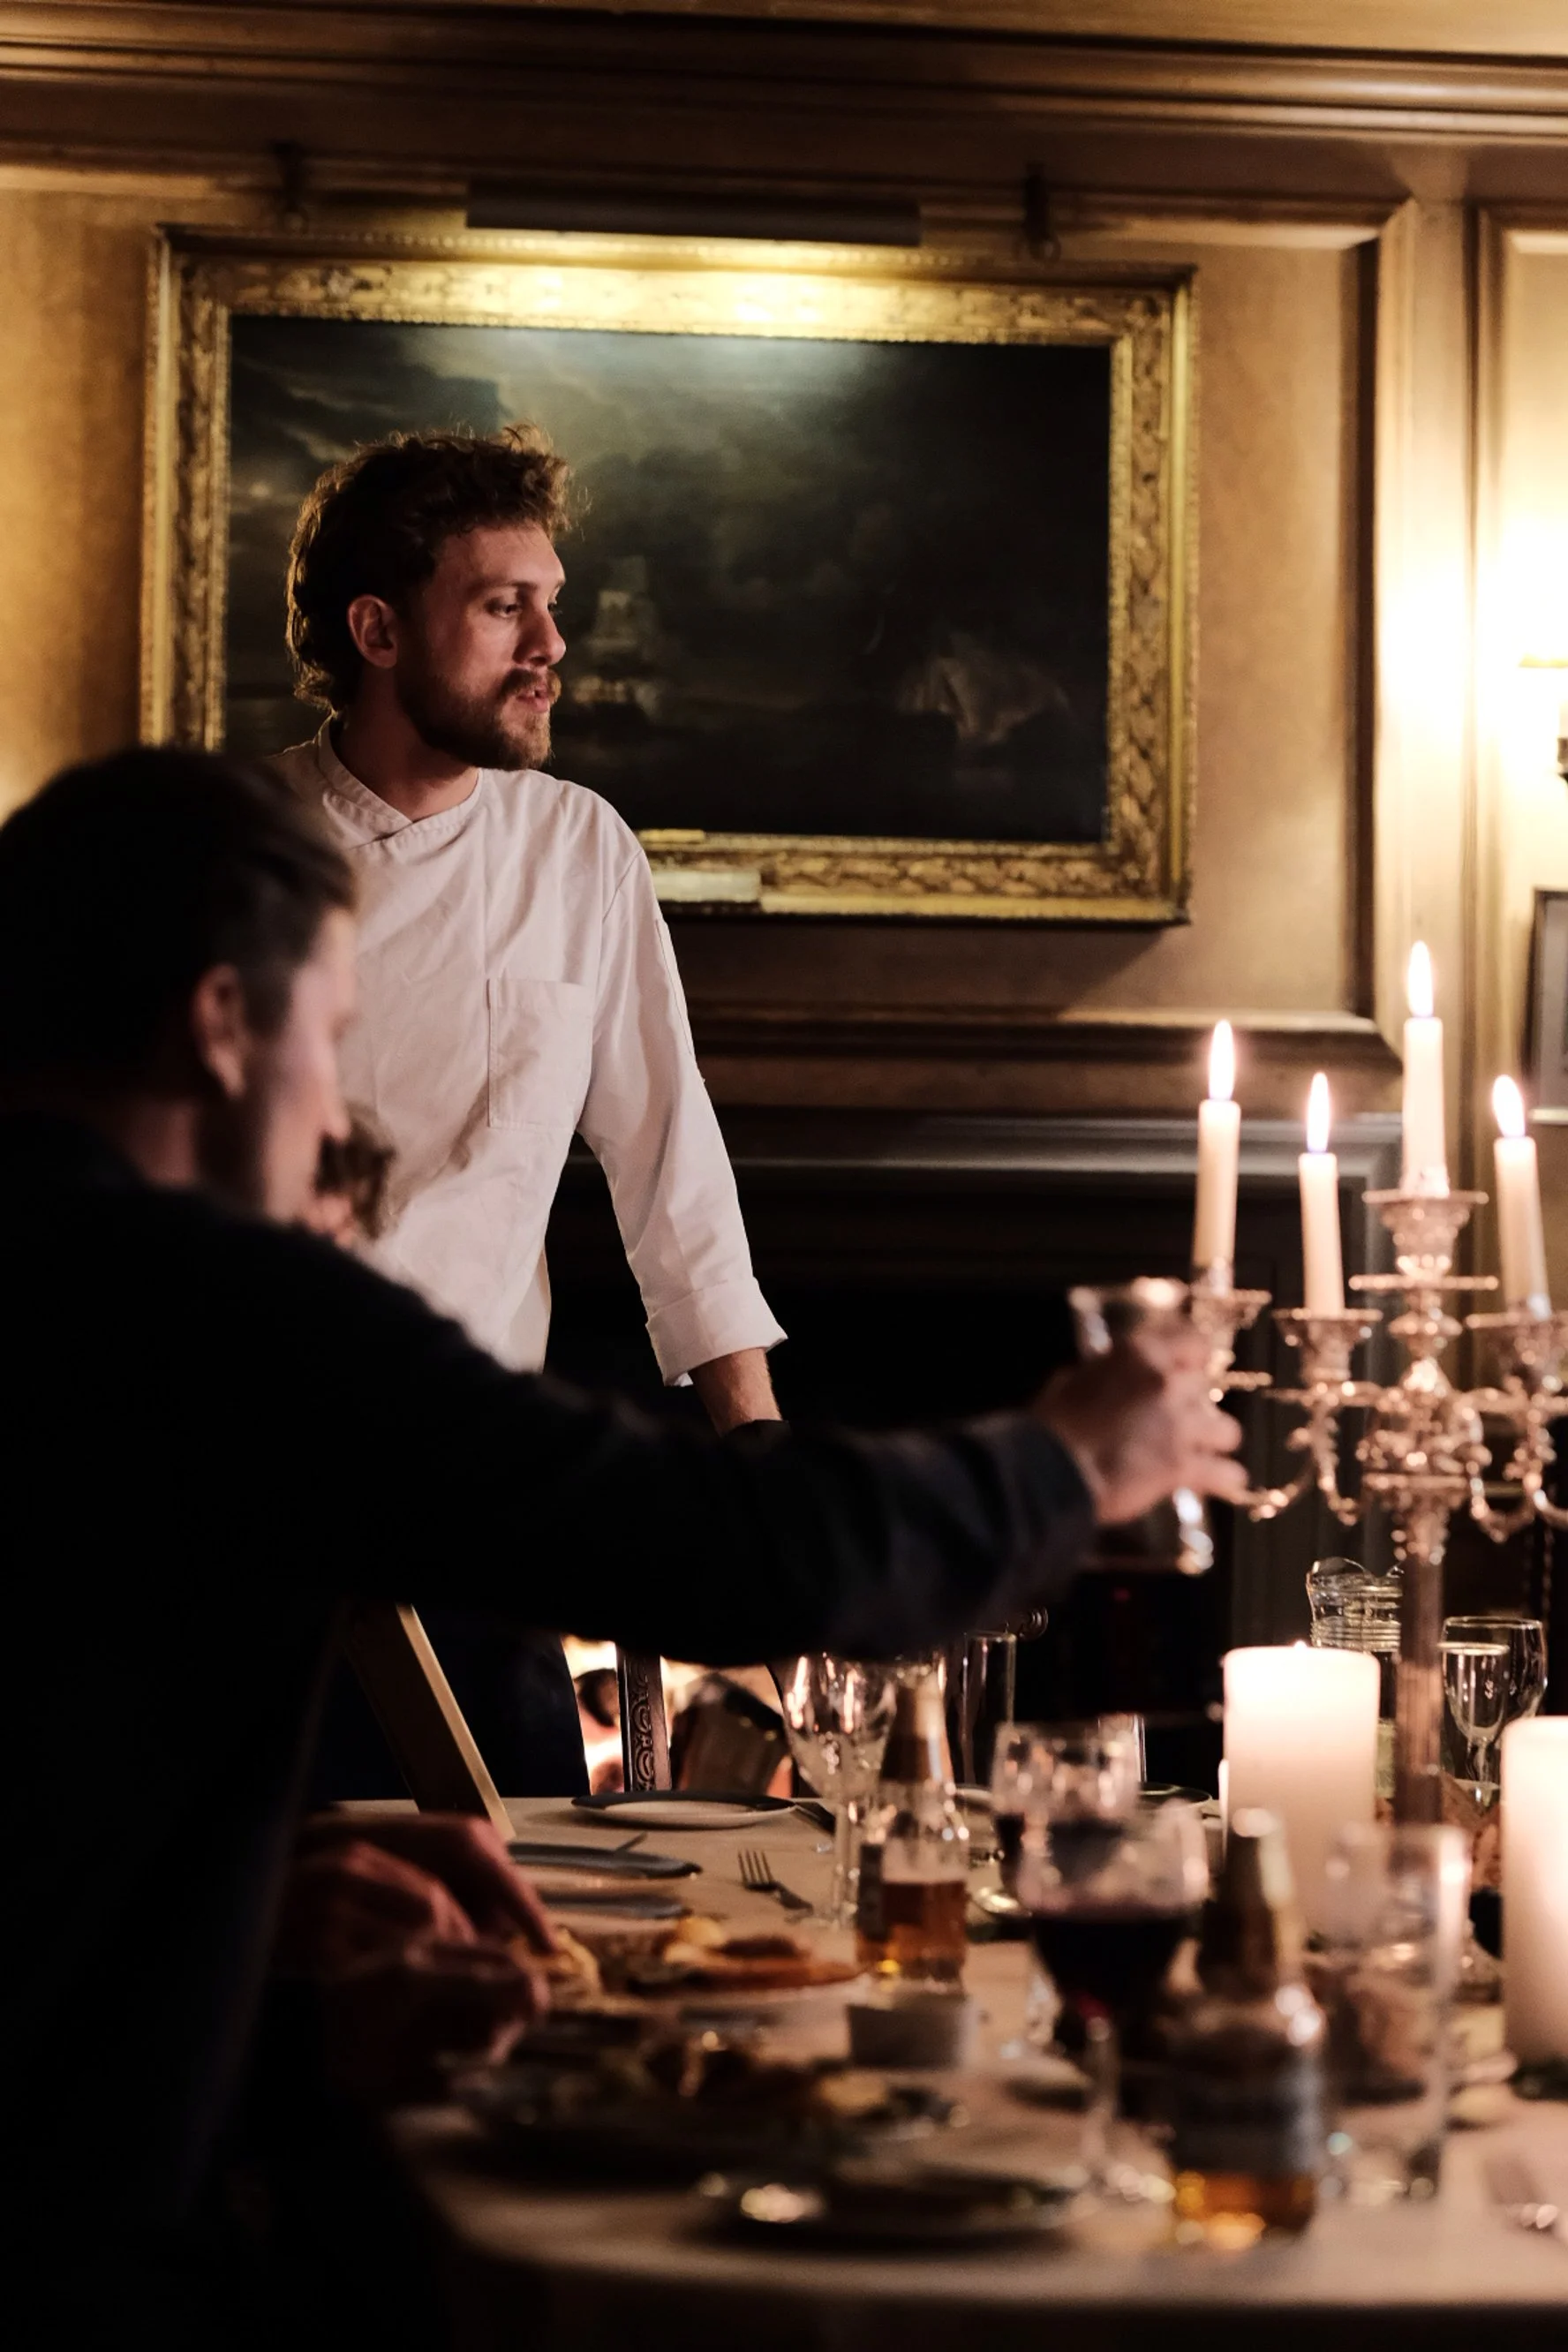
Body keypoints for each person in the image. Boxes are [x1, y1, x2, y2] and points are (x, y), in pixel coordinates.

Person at [0, 747, 1241, 2294]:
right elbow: (712, 1546)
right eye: (332, 1037)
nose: (337, 1124)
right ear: (224, 1027)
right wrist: (1063, 1459)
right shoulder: (211, 1304)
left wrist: (256, 1954)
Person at [275, 424, 783, 1429]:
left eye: (552, 605)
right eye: (506, 608)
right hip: (255, 1451)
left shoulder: (579, 847)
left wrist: (759, 1446)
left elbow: (671, 1163)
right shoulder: (226, 847)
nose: (551, 646)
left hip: (477, 1457)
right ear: (379, 634)